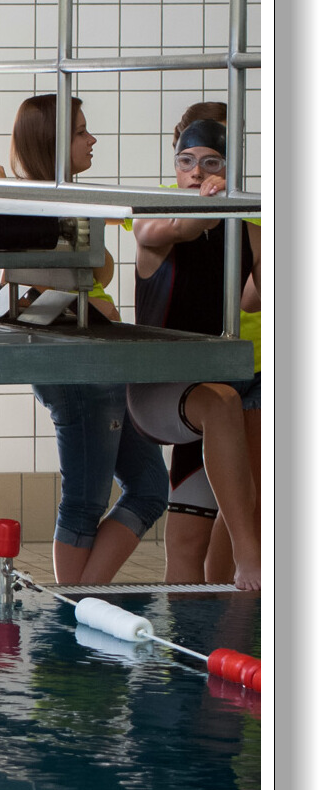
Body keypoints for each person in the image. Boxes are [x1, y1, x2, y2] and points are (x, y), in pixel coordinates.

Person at [0, 94, 168, 585]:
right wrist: (91, 308)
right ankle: (77, 612)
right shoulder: (30, 205)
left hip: (98, 364)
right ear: (53, 142)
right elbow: (24, 284)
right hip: (77, 369)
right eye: (81, 131)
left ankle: (85, 599)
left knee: (148, 487)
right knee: (85, 500)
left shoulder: (70, 203)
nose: (92, 139)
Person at [128, 117, 262, 591]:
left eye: (211, 163)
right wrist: (216, 202)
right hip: (156, 391)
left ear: (231, 168)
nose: (196, 173)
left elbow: (252, 299)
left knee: (187, 542)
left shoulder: (245, 231)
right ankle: (253, 559)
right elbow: (182, 227)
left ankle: (198, 654)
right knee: (223, 402)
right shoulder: (152, 218)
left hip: (207, 396)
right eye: (187, 162)